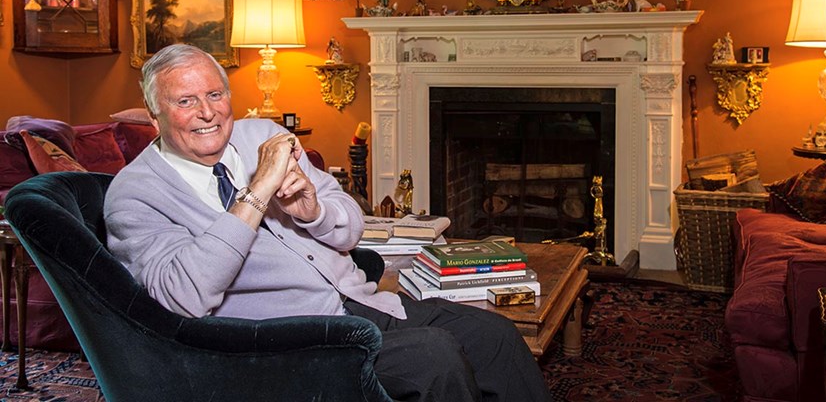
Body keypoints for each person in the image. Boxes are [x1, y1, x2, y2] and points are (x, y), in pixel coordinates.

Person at [105, 43, 551, 402]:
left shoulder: (261, 134)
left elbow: (351, 227)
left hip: (359, 301)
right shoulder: (135, 193)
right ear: (154, 116)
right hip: (286, 341)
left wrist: (314, 212)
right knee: (433, 357)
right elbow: (182, 297)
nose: (208, 113)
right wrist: (257, 193)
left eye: (215, 95)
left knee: (495, 334)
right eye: (186, 101)